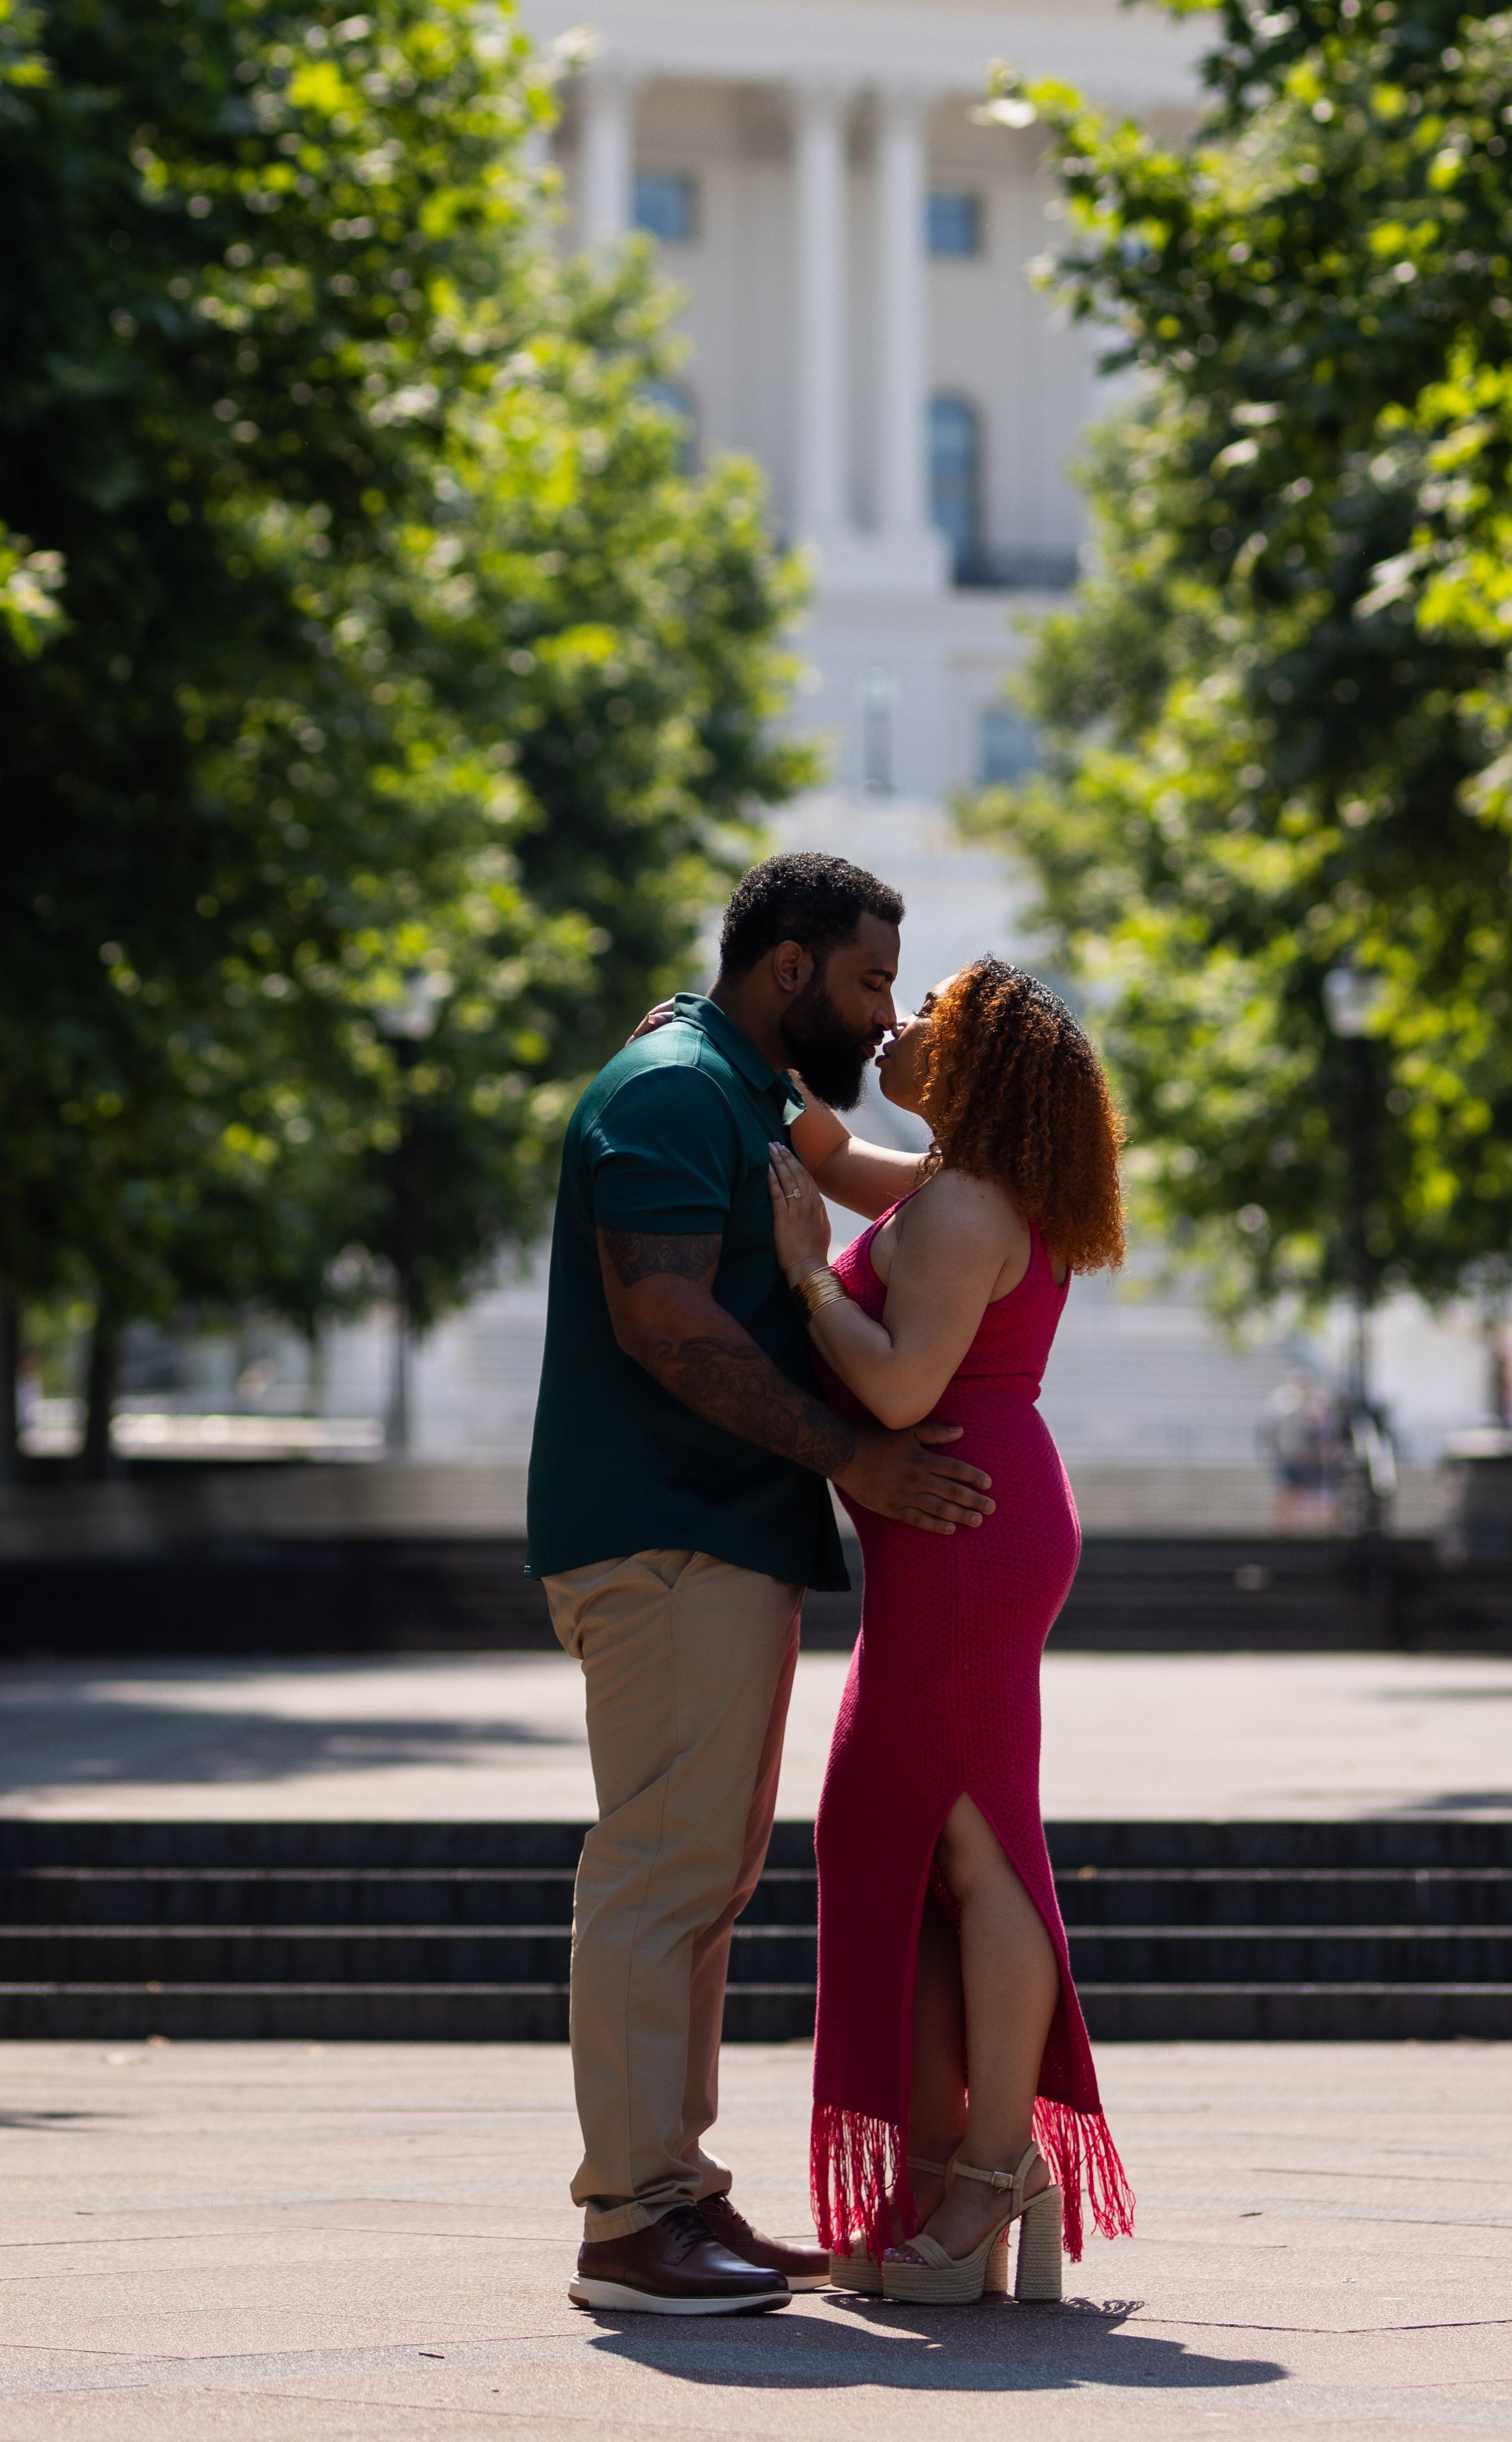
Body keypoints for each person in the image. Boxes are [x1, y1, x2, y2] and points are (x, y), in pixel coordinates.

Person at [527, 849, 996, 2322]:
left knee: (700, 1877)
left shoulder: (740, 1086)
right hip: (666, 1539)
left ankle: (674, 2187)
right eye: (867, 985)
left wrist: (1009, 1121)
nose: (882, 1017)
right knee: (664, 1874)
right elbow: (663, 1319)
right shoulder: (675, 1089)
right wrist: (857, 1456)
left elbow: (903, 1179)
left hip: (717, 1536)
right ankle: (630, 2222)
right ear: (786, 966)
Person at [768, 955, 1136, 2305]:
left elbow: (904, 1381)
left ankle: (989, 2171)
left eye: (930, 1008)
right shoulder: (957, 1187)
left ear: (973, 1056)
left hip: (962, 1525)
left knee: (972, 1843)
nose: (902, 1018)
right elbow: (841, 1158)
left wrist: (810, 1281)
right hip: (970, 1525)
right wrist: (753, 1073)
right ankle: (964, 2177)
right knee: (923, 1835)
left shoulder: (961, 1208)